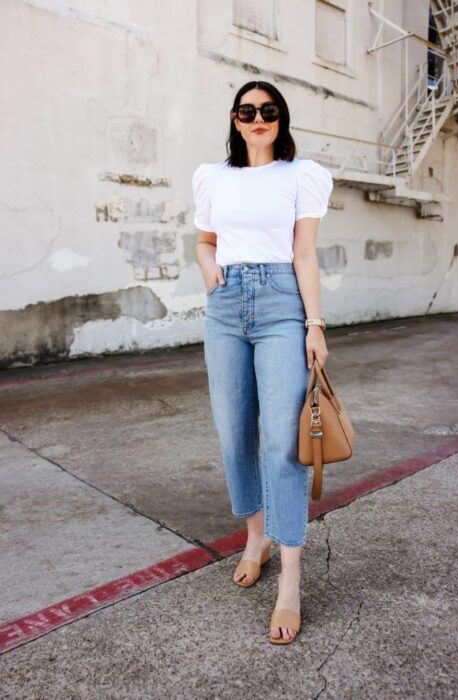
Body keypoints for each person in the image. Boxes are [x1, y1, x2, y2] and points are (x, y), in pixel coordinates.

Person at [192, 80, 333, 645]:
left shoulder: (301, 174)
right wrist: (209, 268)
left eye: (268, 110)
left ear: (281, 118)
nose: (258, 118)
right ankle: (257, 537)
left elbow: (304, 252)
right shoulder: (212, 177)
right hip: (225, 309)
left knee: (282, 441)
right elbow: (205, 240)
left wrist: (315, 324)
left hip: (281, 306)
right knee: (233, 436)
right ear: (235, 118)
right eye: (248, 110)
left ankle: (291, 580)